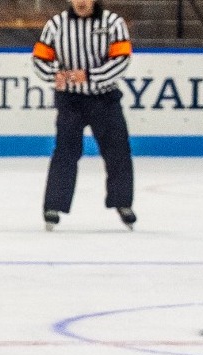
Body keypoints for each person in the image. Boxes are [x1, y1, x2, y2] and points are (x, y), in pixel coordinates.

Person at [32, 0, 136, 231]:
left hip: (104, 99)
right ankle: (53, 206)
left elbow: (122, 60)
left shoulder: (113, 23)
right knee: (65, 153)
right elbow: (39, 59)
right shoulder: (56, 25)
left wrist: (89, 76)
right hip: (70, 101)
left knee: (118, 150)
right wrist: (55, 75)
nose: (81, 1)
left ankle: (123, 203)